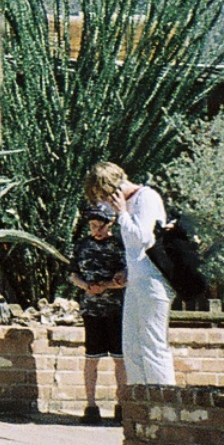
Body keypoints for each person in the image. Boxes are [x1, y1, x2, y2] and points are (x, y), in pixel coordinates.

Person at [87, 161, 175, 387]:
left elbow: (144, 237)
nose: (105, 203)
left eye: (103, 196)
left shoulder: (146, 197)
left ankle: (162, 399)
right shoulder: (126, 205)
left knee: (153, 344)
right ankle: (139, 401)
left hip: (153, 281)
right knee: (132, 346)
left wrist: (123, 214)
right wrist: (126, 272)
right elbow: (135, 249)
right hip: (135, 281)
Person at [68, 199, 128, 423]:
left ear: (110, 224)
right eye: (93, 225)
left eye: (101, 226)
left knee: (119, 359)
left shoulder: (119, 246)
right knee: (91, 358)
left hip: (115, 309)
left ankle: (121, 404)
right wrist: (86, 287)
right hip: (92, 310)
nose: (97, 230)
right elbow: (73, 274)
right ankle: (91, 405)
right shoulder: (82, 245)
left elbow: (125, 275)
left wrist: (107, 286)